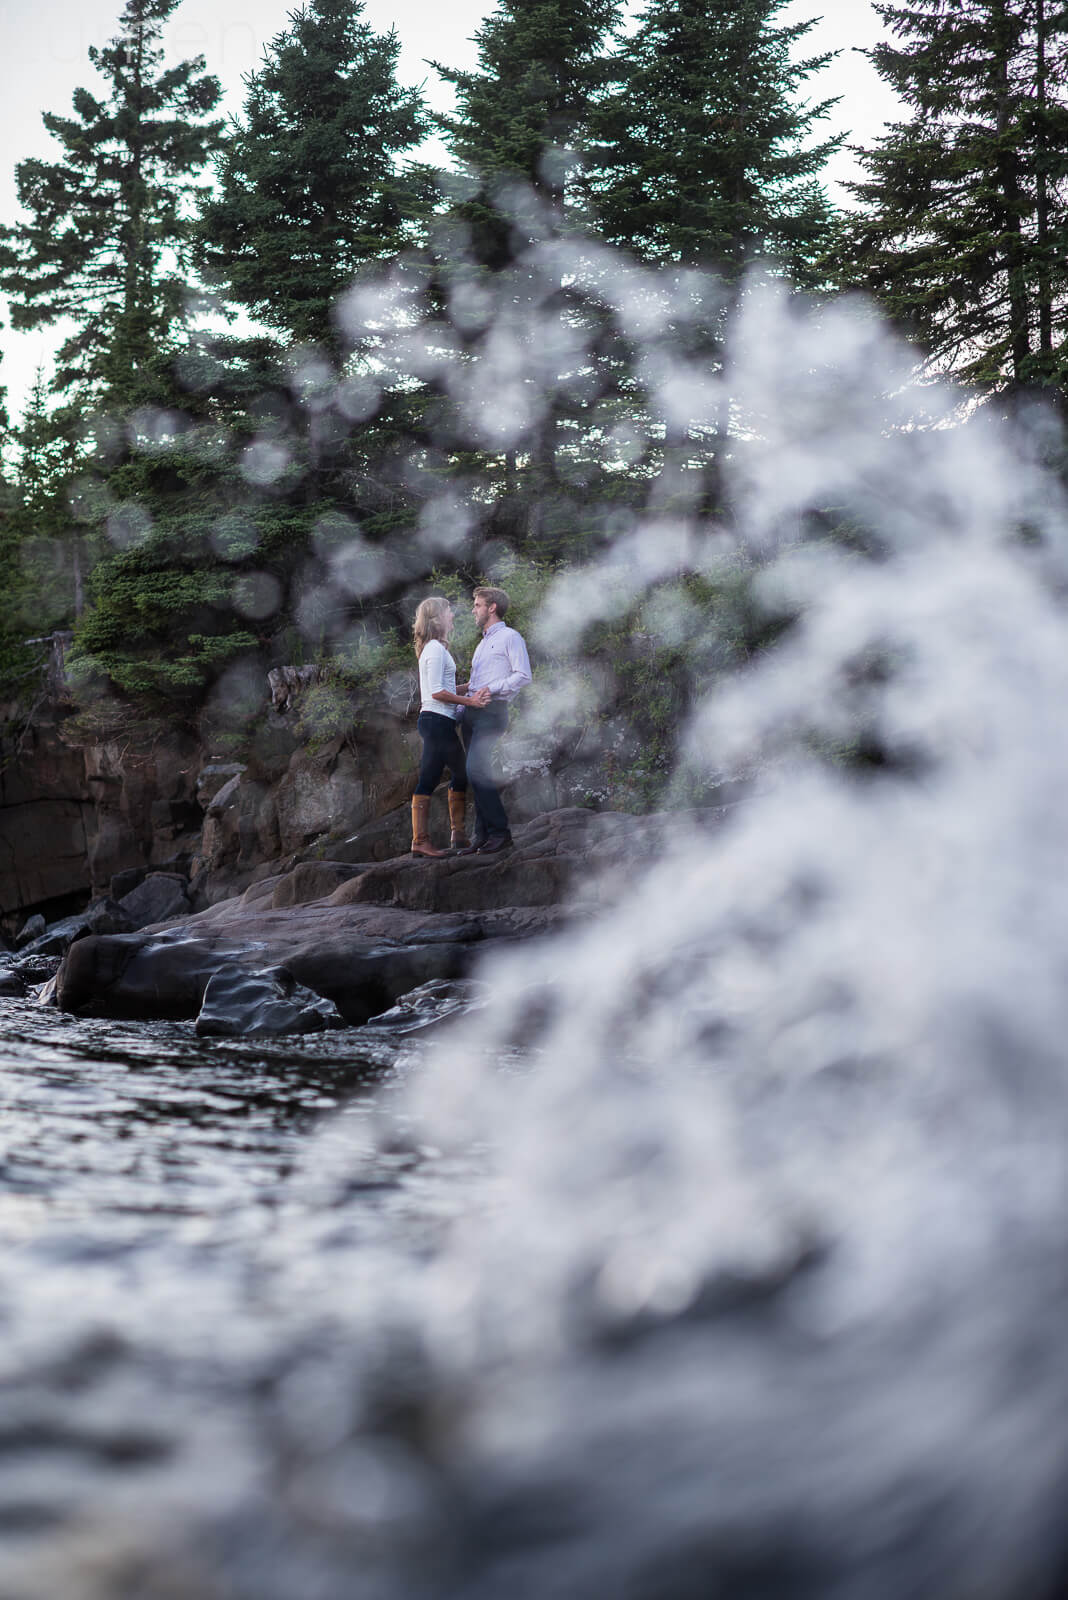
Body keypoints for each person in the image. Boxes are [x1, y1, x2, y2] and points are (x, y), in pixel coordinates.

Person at [410, 597, 490, 858]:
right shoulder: (434, 649)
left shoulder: (436, 649)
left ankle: (453, 836)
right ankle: (427, 839)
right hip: (435, 721)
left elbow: (441, 688)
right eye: (449, 611)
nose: (453, 615)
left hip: (439, 721)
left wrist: (468, 687)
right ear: (437, 618)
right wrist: (470, 700)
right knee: (448, 774)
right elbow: (435, 693)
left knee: (448, 775)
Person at [456, 586, 532, 855]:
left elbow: (523, 675)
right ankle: (482, 835)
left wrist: (494, 688)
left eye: (477, 604)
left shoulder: (511, 637)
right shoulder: (482, 642)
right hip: (471, 713)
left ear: (492, 608)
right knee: (477, 774)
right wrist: (459, 690)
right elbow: (479, 682)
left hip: (492, 712)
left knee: (476, 769)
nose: (473, 609)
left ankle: (501, 833)